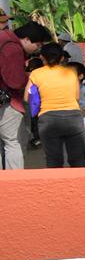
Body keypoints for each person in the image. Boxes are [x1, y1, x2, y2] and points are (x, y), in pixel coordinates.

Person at [0, 22, 53, 169]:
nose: (38, 48)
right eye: (38, 44)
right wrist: (31, 77)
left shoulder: (3, 39)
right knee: (14, 142)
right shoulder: (13, 48)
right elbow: (15, 81)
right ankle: (15, 181)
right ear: (27, 39)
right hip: (6, 103)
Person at [26, 42, 85, 168]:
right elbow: (76, 97)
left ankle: (56, 187)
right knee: (77, 159)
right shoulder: (71, 72)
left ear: (42, 57)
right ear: (62, 58)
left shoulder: (36, 74)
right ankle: (81, 186)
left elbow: (27, 97)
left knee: (53, 159)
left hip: (48, 119)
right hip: (73, 118)